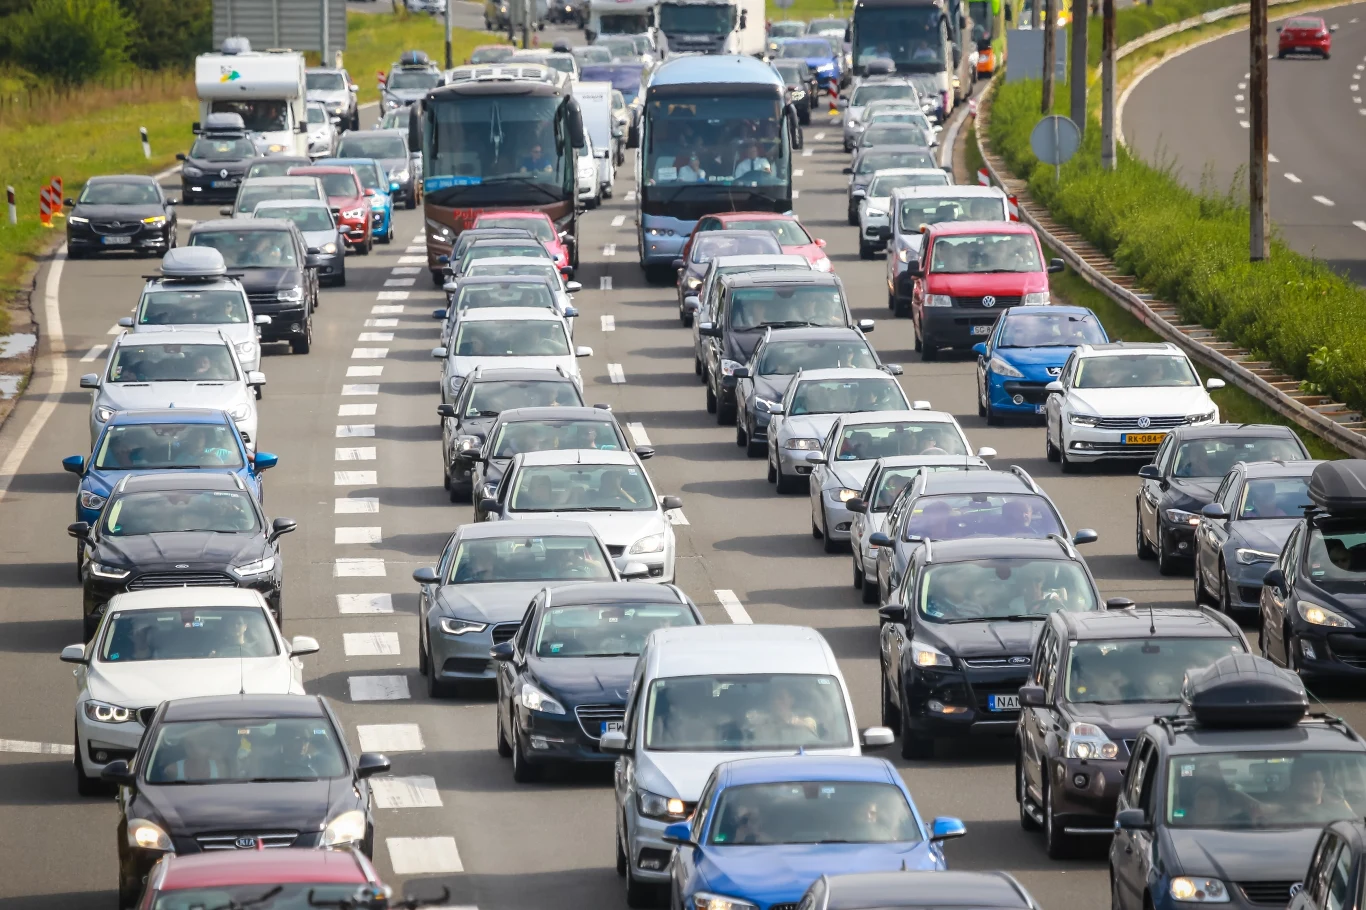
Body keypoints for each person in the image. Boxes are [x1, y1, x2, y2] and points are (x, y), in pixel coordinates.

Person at [1286, 761, 1354, 822]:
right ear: (1297, 784)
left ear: (1324, 784)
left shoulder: (1339, 810)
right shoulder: (1283, 813)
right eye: (1307, 781)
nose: (1313, 785)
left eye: (1317, 781)